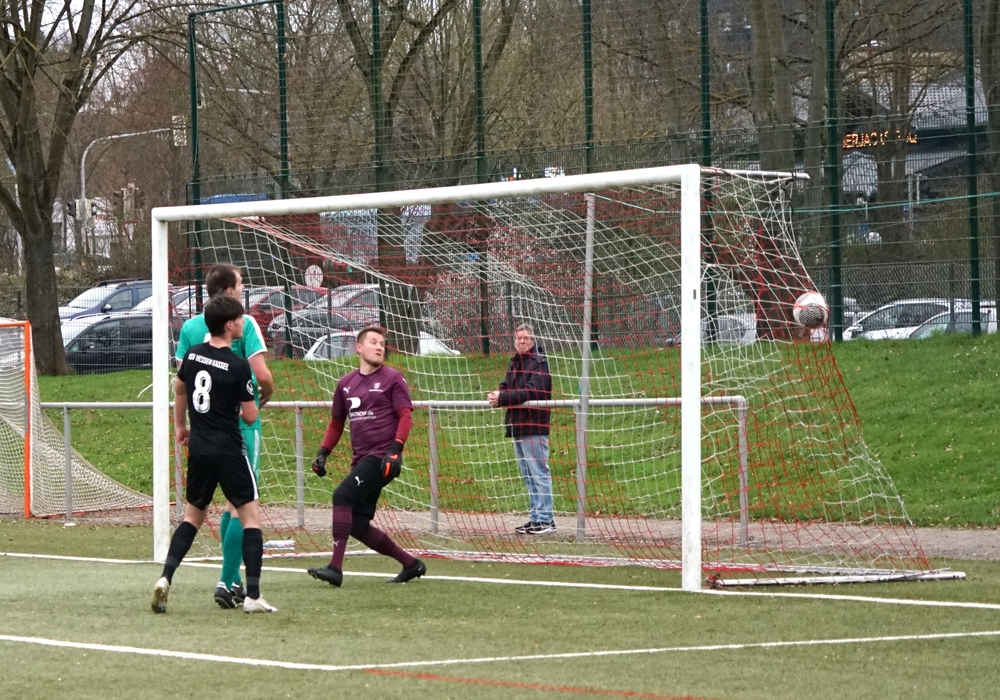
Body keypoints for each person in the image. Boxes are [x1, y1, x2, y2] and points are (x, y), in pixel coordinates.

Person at [152, 295, 276, 614]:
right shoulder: (238, 366)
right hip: (229, 449)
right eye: (240, 319)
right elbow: (250, 416)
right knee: (250, 518)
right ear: (229, 325)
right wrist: (241, 404)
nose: (243, 323)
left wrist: (181, 426)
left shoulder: (193, 355)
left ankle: (166, 577)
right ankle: (252, 596)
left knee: (192, 517)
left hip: (200, 448)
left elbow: (180, 389)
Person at [307, 325, 426, 587]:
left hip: (383, 458)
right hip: (361, 460)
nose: (379, 347)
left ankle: (335, 569)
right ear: (358, 348)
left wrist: (395, 450)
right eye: (373, 342)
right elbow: (336, 422)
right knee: (357, 525)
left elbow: (405, 416)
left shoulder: (393, 378)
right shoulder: (345, 384)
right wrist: (323, 452)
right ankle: (411, 564)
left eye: (382, 343)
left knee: (342, 496)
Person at [488, 323, 555, 535]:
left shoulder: (539, 363)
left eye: (526, 338)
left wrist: (503, 398)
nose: (522, 341)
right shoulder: (515, 362)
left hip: (534, 425)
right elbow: (506, 385)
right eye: (519, 338)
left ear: (533, 340)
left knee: (539, 473)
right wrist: (498, 395)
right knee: (528, 474)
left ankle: (545, 519)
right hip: (517, 425)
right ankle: (536, 517)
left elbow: (532, 392)